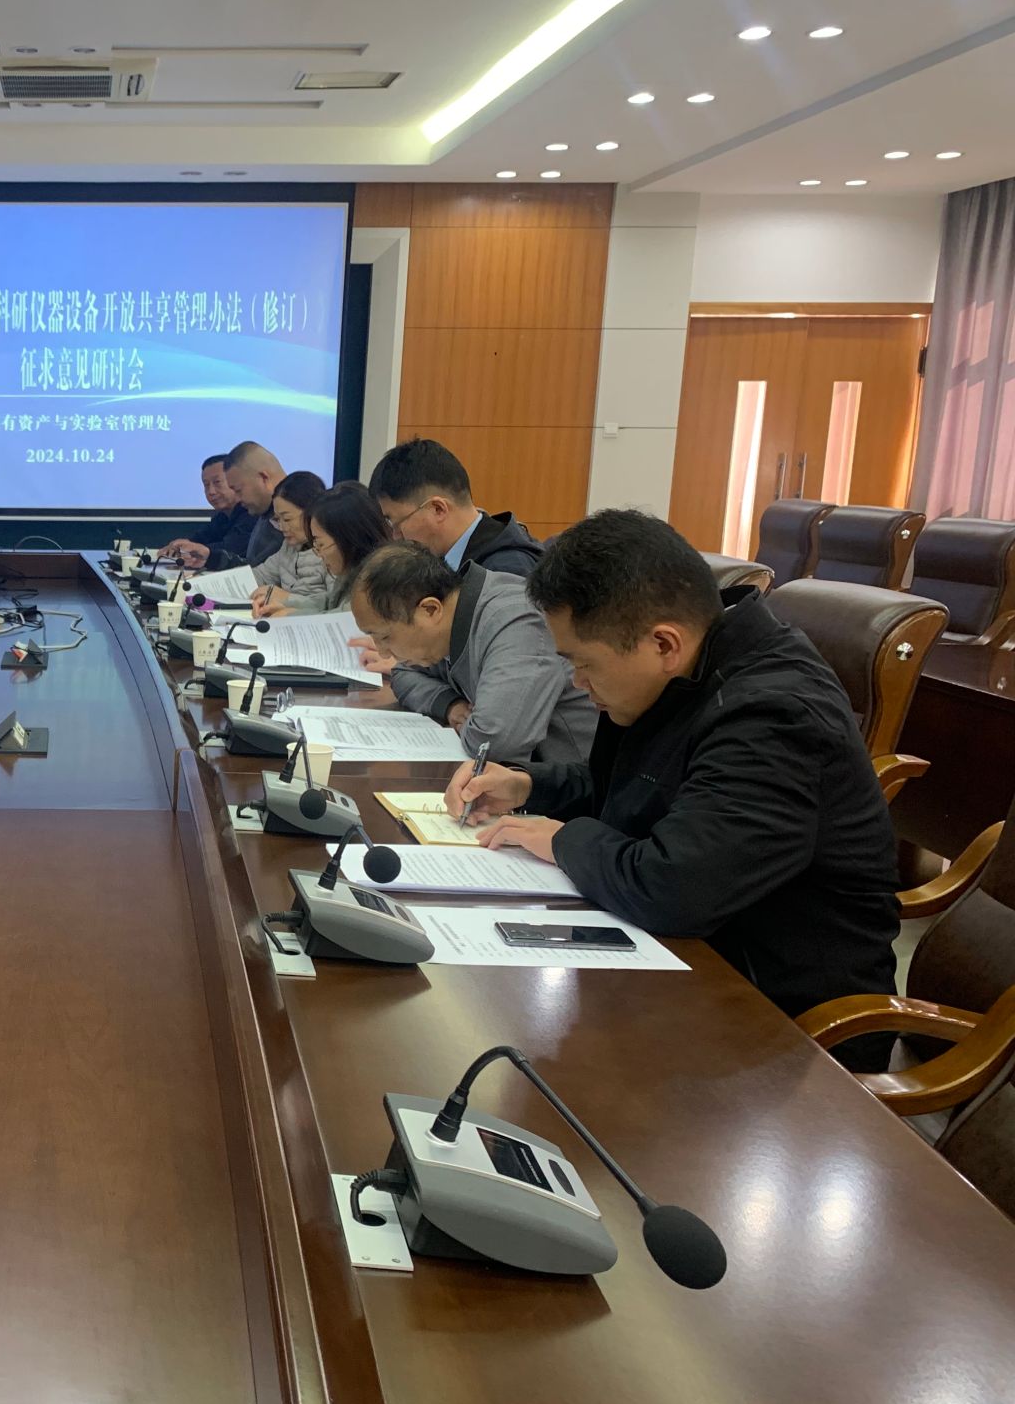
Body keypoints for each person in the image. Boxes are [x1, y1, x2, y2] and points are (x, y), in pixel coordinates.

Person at [448, 509, 899, 1037]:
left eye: (583, 663)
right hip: (692, 968)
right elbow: (638, 790)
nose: (576, 683)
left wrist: (564, 839)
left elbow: (673, 889)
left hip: (783, 1023)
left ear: (663, 644)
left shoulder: (774, 715)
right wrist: (528, 785)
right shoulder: (679, 674)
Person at [349, 541, 595, 764]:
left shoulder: (514, 621)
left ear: (430, 610)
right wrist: (450, 705)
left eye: (384, 637)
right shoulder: (452, 619)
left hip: (577, 783)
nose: (382, 651)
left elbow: (494, 743)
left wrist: (476, 725)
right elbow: (402, 673)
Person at [370, 438, 542, 578]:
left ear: (437, 509)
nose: (396, 536)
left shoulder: (506, 572)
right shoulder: (444, 561)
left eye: (397, 524)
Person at [276, 480, 393, 614]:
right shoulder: (351, 569)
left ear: (349, 539)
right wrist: (285, 604)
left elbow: (344, 615)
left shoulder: (379, 581)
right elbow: (330, 601)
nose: (319, 554)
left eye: (320, 544)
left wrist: (291, 614)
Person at [247, 471, 331, 617]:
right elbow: (261, 575)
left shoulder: (332, 551)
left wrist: (287, 598)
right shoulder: (288, 546)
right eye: (277, 520)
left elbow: (334, 605)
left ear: (313, 513)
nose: (282, 527)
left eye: (287, 519)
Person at [205, 441, 287, 571]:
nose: (237, 499)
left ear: (264, 478)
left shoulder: (305, 518)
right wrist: (210, 558)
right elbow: (256, 567)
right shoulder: (265, 514)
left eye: (238, 490)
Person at [157, 454, 249, 567]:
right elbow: (198, 541)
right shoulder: (221, 517)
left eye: (217, 482)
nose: (211, 491)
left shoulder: (252, 512)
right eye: (206, 485)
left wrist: (196, 549)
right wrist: (179, 547)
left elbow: (233, 547)